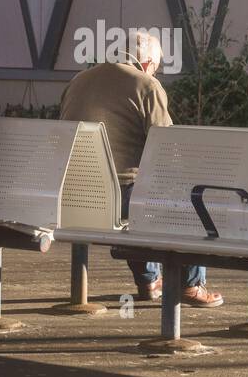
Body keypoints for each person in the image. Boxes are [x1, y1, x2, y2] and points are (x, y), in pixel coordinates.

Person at [59, 30, 224, 308]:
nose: (155, 75)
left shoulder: (78, 80)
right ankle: (190, 285)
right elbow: (167, 147)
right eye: (156, 70)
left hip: (71, 195)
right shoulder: (145, 85)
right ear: (147, 64)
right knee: (189, 199)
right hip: (119, 198)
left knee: (138, 197)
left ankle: (149, 281)